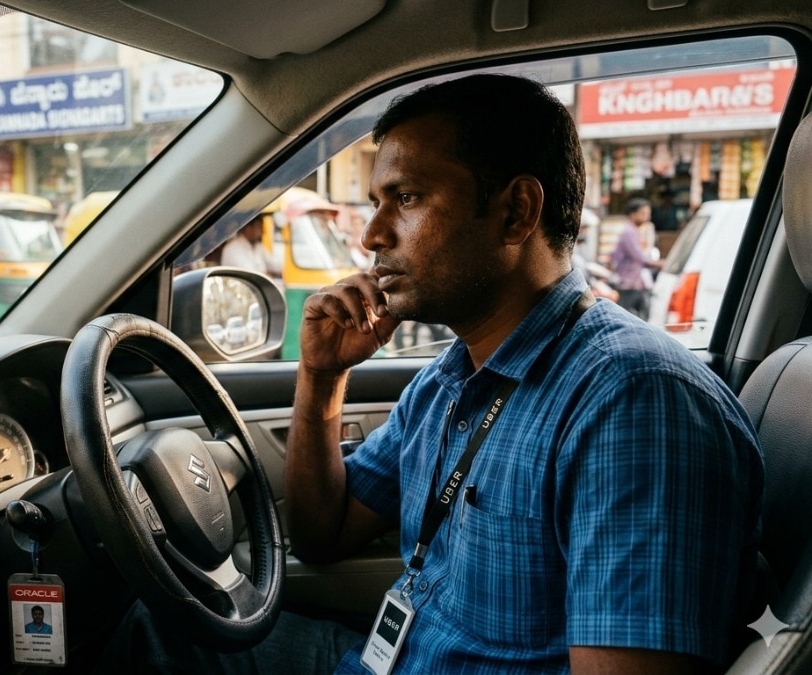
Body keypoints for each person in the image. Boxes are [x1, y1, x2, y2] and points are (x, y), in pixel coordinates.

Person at [103, 73, 763, 674]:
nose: (372, 235)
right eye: (376, 201)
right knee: (162, 626)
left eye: (407, 197)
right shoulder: (454, 375)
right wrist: (322, 377)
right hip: (390, 657)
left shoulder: (632, 401)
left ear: (515, 212)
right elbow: (321, 533)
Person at [609, 198, 661, 319]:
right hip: (629, 284)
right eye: (643, 214)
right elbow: (640, 257)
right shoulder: (629, 232)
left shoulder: (637, 231)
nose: (647, 217)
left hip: (636, 283)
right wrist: (661, 264)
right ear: (633, 214)